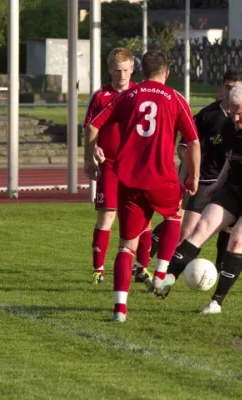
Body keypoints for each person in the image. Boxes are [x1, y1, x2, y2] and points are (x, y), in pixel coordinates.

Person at [84, 50, 201, 322]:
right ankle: (160, 274)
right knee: (174, 215)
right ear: (167, 72)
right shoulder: (175, 98)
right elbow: (193, 141)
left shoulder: (127, 96)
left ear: (140, 71)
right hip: (162, 177)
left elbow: (91, 127)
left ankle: (120, 310)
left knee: (126, 245)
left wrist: (90, 159)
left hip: (129, 179)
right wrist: (193, 175)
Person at [151, 70, 242, 294]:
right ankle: (162, 274)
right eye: (229, 88)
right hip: (214, 182)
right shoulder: (215, 118)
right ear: (223, 88)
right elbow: (200, 151)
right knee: (193, 229)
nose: (235, 117)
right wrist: (197, 177)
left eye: (237, 89)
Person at [83, 48, 153, 285]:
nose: (122, 75)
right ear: (109, 70)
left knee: (144, 219)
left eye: (126, 70)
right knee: (107, 216)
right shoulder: (101, 96)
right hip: (110, 164)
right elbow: (90, 128)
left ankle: (142, 268)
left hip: (136, 167)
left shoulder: (140, 93)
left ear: (133, 69)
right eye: (117, 71)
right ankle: (99, 269)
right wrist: (91, 154)